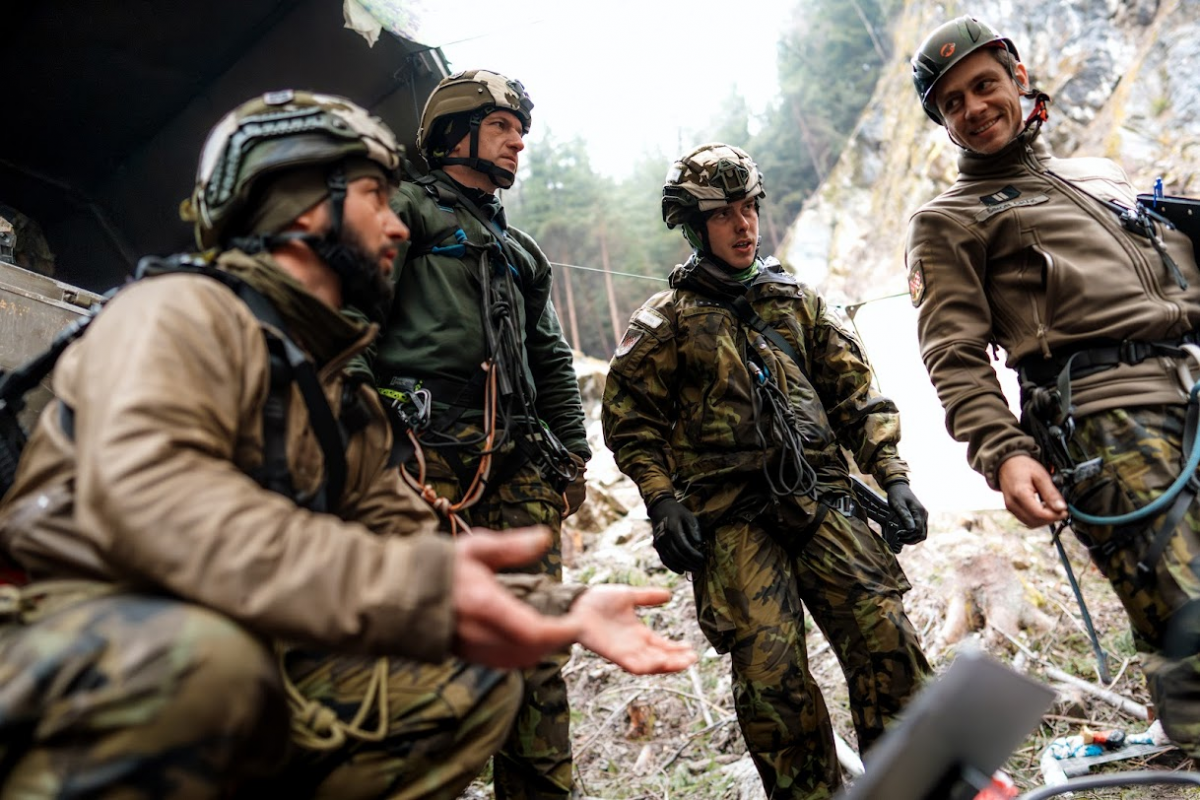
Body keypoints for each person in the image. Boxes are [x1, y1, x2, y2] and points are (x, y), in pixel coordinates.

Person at [0, 90, 695, 799]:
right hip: (66, 636)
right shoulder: (176, 314)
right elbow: (161, 510)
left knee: (473, 680)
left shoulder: (335, 394)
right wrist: (415, 587)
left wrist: (560, 607)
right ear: (306, 208)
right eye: (374, 198)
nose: (395, 224)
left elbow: (403, 549)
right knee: (212, 664)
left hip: (226, 643)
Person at [907, 16, 1200, 757]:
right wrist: (1003, 451)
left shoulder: (1098, 177)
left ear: (1017, 78)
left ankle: (1178, 731)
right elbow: (953, 353)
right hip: (1106, 423)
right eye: (952, 103)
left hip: (1189, 389)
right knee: (1189, 618)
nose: (974, 108)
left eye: (984, 85)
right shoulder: (949, 220)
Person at [601, 142, 932, 799]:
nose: (743, 224)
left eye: (749, 207)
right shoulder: (666, 323)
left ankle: (914, 789)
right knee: (772, 682)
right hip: (733, 523)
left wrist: (892, 477)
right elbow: (630, 420)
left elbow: (856, 398)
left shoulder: (798, 302)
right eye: (723, 214)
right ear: (694, 226)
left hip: (822, 500)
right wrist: (662, 500)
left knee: (887, 640)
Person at [353, 69, 589, 800]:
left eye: (521, 131)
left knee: (535, 653)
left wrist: (575, 455)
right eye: (501, 127)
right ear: (455, 133)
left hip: (519, 462)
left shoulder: (520, 251)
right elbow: (349, 321)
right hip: (420, 458)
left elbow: (551, 356)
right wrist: (368, 429)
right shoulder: (404, 211)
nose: (518, 142)